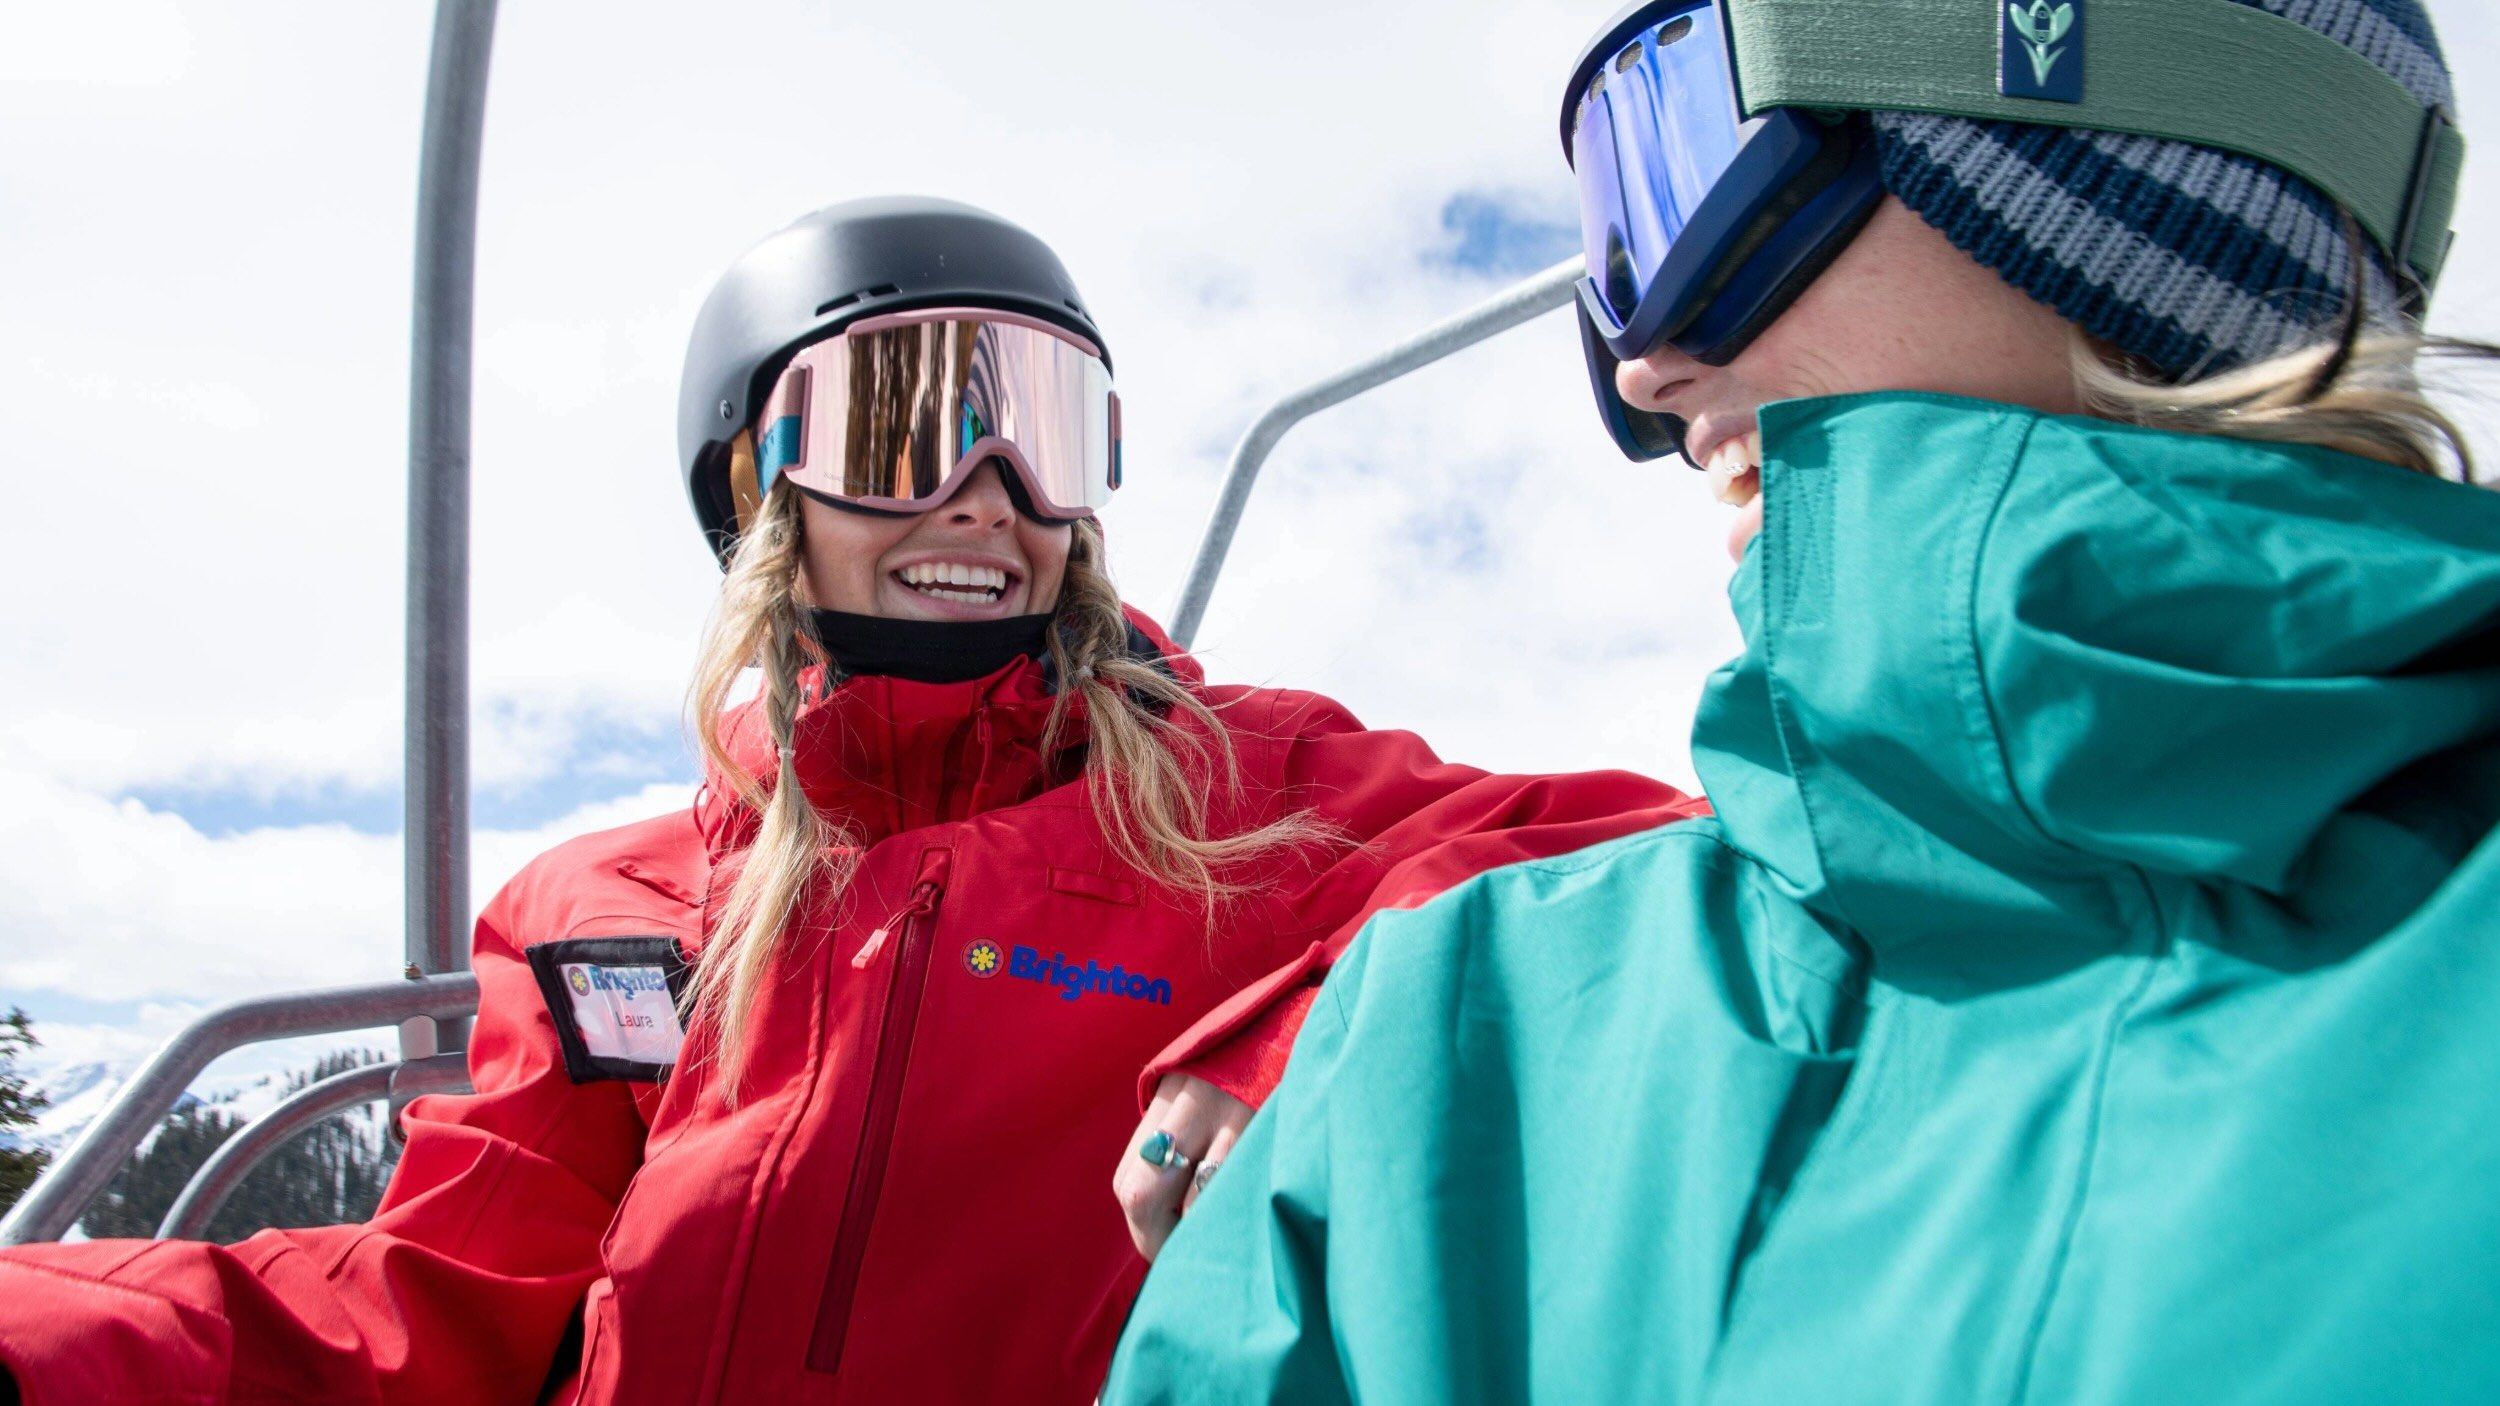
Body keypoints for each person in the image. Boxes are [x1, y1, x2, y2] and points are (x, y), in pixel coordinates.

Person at [0, 198, 1704, 1404]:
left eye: (1039, 427)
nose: (986, 491)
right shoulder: (603, 911)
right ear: (759, 482)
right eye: (904, 421)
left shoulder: (1233, 804)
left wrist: (1316, 1032)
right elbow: (433, 1316)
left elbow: (1640, 862)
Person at [1106, 1, 2500, 1402]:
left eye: (1693, 152)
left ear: (2110, 137)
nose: (1643, 372)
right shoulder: (1455, 1066)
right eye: (1615, 242)